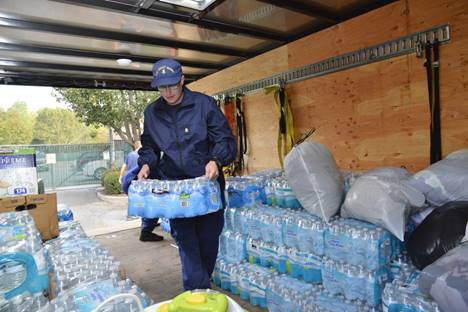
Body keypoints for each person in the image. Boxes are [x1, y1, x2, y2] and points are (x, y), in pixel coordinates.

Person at [137, 58, 236, 290]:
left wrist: (216, 159)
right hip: (176, 188)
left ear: (182, 80)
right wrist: (146, 164)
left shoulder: (204, 105)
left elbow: (225, 139)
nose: (168, 92)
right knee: (187, 243)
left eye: (172, 85)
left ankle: (201, 284)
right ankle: (197, 291)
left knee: (208, 241)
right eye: (162, 87)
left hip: (206, 186)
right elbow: (150, 146)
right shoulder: (152, 112)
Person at [120, 141, 163, 242]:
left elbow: (125, 167)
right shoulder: (150, 157)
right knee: (154, 208)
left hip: (136, 184)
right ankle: (146, 232)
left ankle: (147, 228)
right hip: (147, 183)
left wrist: (121, 178)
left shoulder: (131, 155)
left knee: (148, 208)